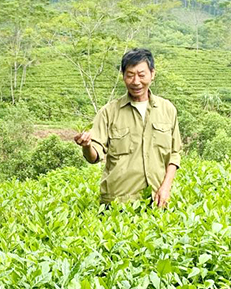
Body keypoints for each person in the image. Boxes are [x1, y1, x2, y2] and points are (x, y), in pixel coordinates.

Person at [74, 48, 182, 207]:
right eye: (130, 75)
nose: (136, 81)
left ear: (152, 74)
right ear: (123, 76)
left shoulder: (167, 109)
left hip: (157, 201)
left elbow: (174, 154)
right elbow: (93, 156)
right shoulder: (108, 112)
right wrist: (87, 145)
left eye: (141, 75)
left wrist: (166, 187)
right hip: (118, 203)